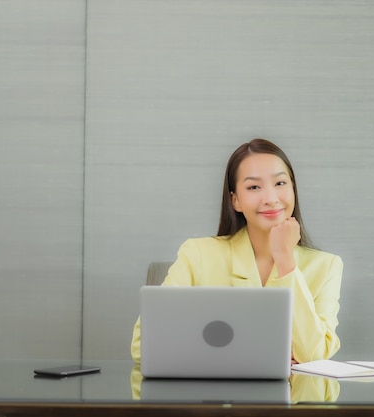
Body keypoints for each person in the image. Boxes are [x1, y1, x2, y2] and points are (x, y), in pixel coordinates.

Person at [130, 138, 343, 364]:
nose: (271, 199)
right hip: (212, 396)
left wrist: (285, 259)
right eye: (253, 187)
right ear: (236, 201)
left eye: (280, 183)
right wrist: (267, 356)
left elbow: (314, 356)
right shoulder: (198, 254)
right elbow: (144, 346)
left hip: (293, 398)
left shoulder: (326, 266)